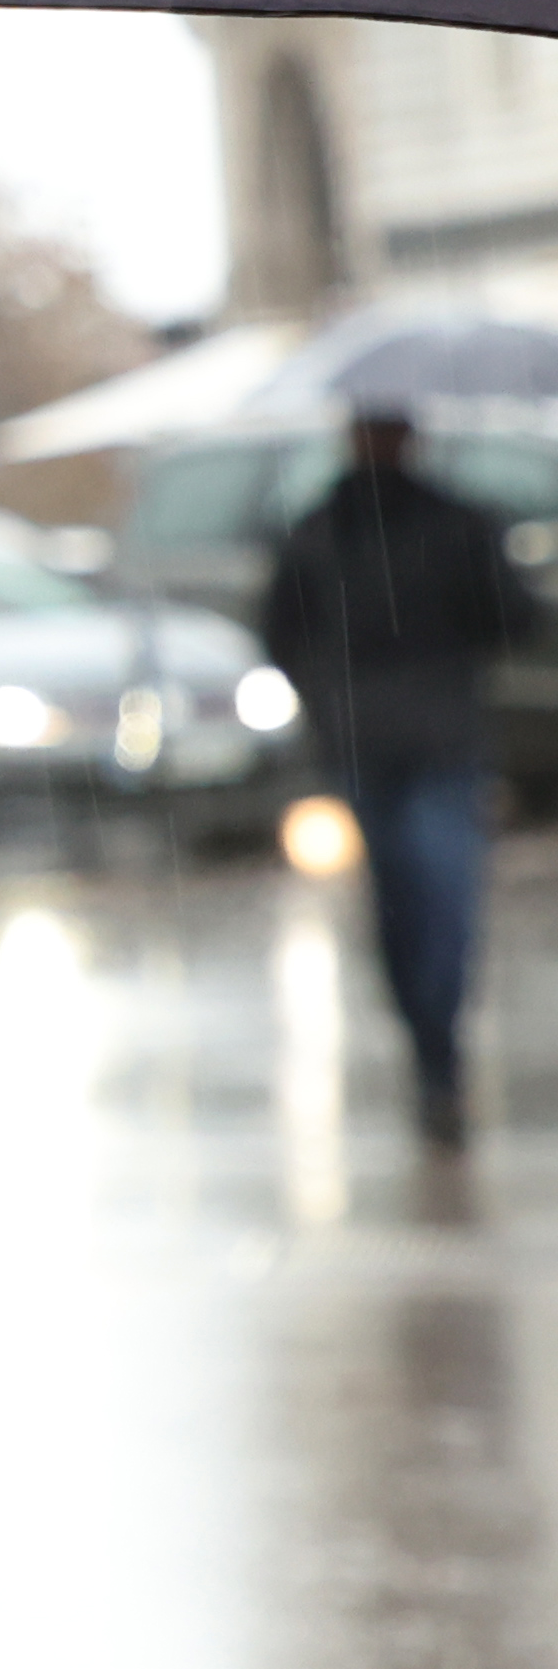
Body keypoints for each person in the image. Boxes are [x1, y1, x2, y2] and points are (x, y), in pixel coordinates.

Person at [257, 399, 531, 1156]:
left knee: (410, 902)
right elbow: (513, 621)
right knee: (436, 900)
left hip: (375, 740)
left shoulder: (321, 526)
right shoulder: (452, 522)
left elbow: (282, 633)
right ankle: (437, 1051)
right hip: (427, 737)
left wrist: (331, 692)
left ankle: (433, 1052)